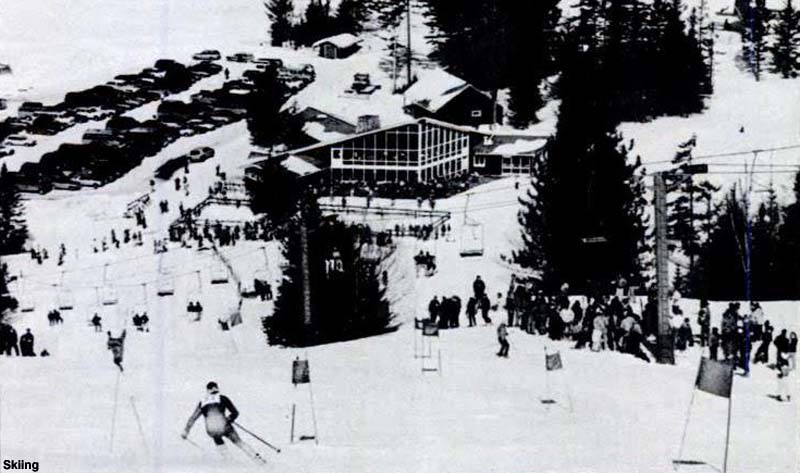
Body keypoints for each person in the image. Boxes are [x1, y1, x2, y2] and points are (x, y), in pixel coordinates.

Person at [181, 382, 265, 463]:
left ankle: (228, 460)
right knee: (238, 441)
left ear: (208, 391)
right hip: (224, 425)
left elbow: (192, 418)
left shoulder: (202, 402)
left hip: (211, 428)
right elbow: (235, 412)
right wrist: (230, 418)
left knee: (217, 438)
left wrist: (186, 431)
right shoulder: (222, 398)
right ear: (217, 388)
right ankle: (258, 460)